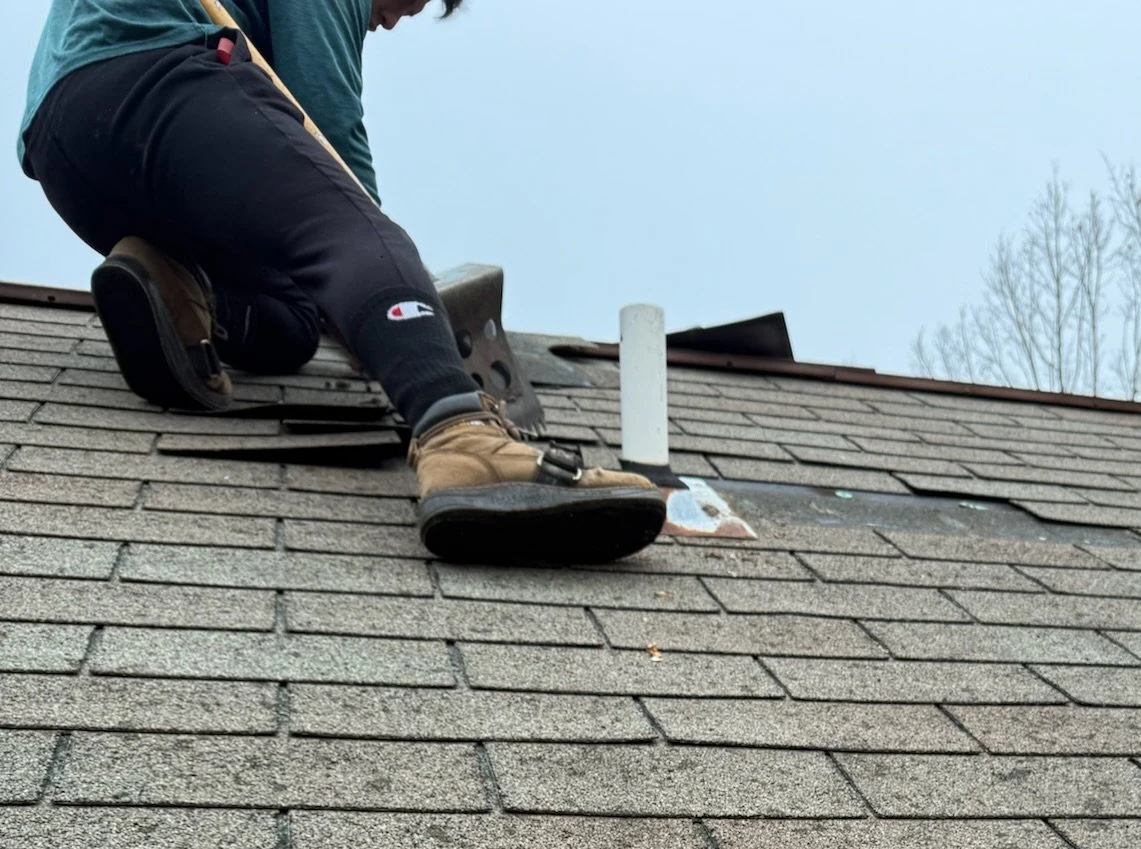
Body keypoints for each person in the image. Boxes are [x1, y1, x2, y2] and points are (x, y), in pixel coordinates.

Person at [16, 0, 665, 564]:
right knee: (351, 230)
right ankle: (458, 437)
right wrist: (388, 297)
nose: (387, 22)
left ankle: (188, 295)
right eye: (405, 5)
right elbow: (325, 125)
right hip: (161, 80)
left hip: (66, 145)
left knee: (293, 317)